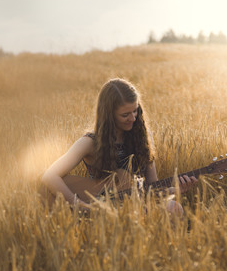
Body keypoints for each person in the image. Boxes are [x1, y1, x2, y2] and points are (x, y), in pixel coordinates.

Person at [41, 78, 197, 214]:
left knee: (174, 208)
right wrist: (79, 205)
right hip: (103, 209)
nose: (133, 118)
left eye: (135, 111)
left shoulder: (143, 137)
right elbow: (49, 176)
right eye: (125, 115)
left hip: (137, 204)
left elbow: (152, 186)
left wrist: (175, 190)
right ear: (109, 115)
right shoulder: (89, 142)